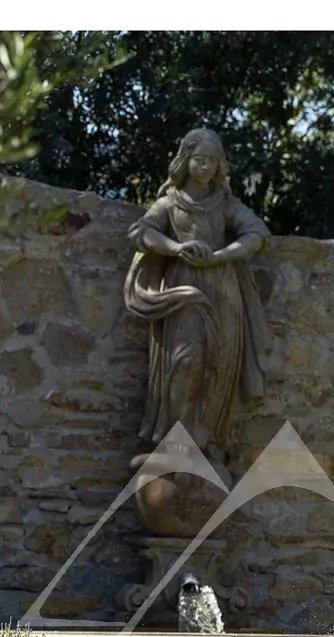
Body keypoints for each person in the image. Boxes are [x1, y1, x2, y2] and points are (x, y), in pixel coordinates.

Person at [124, 128, 273, 449]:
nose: (206, 167)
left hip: (222, 289)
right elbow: (140, 233)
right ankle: (173, 439)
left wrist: (220, 255)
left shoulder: (224, 204)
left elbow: (256, 234)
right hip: (184, 288)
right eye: (199, 159)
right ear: (185, 160)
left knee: (218, 367)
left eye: (212, 161)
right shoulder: (169, 203)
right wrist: (176, 248)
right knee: (186, 359)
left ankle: (207, 442)